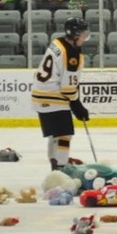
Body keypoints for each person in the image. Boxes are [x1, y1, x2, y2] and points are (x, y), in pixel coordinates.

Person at [30, 17, 90, 171]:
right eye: (83, 34)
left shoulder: (58, 42)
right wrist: (78, 106)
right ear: (75, 35)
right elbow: (67, 88)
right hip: (53, 97)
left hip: (39, 95)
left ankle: (55, 166)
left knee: (54, 136)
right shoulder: (71, 55)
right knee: (64, 135)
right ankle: (61, 170)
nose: (85, 37)